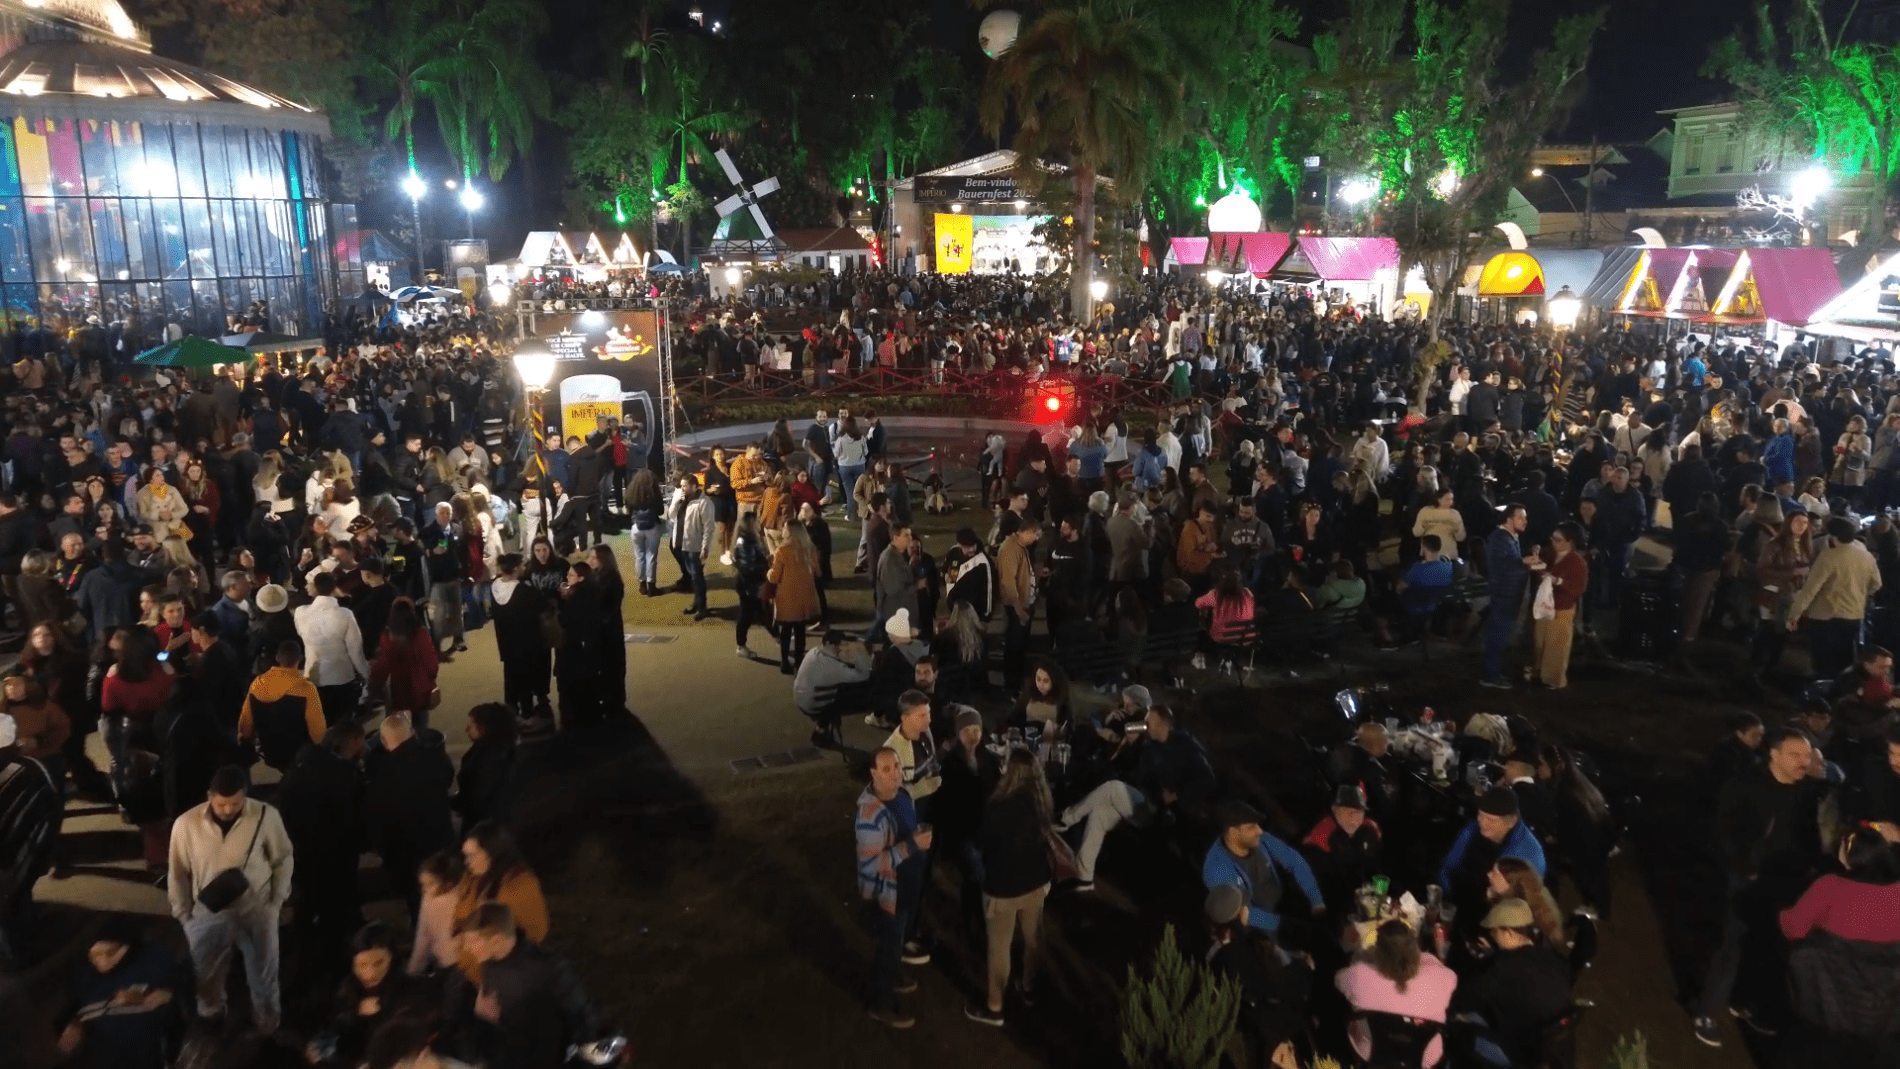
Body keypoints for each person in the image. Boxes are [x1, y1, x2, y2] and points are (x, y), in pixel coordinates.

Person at [1693, 727, 1830, 1047]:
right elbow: (1721, 831)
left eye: (1807, 756)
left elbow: (1809, 837)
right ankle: (1707, 1010)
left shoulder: (1807, 792)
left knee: (1765, 946)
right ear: (1774, 753)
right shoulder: (1744, 785)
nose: (1803, 762)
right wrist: (1742, 864)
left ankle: (1743, 1001)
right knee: (1733, 944)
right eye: (1795, 755)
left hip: (1783, 884)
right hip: (1747, 881)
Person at [166, 765, 293, 1038]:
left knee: (264, 973)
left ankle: (267, 1024)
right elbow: (177, 871)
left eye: (235, 803)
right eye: (222, 804)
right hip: (208, 912)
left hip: (256, 908)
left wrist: (275, 904)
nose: (227, 810)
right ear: (209, 796)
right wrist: (183, 915)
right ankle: (211, 1015)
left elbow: (283, 858)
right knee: (206, 972)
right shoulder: (186, 824)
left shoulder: (265, 816)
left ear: (245, 795)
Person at [1054, 705, 1215, 890]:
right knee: (1100, 813)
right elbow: (1132, 771)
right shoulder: (1148, 744)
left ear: (1164, 724)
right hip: (1138, 799)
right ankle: (1084, 878)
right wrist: (1129, 744)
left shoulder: (1185, 746)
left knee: (1112, 788)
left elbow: (1207, 779)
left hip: (1159, 809)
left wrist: (1178, 793)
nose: (1144, 726)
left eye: (1149, 722)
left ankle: (1066, 818)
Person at [449, 902, 597, 1069]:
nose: (467, 948)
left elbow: (580, 1015)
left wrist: (584, 1059)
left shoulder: (549, 969)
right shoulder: (490, 965)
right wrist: (485, 1019)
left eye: (472, 941)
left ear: (496, 941)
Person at [966, 746, 1053, 1027]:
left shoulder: (997, 805)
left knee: (999, 948)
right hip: (1036, 884)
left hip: (1002, 888)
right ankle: (1028, 987)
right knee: (1033, 938)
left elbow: (982, 843)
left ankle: (995, 1008)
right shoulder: (1042, 801)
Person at [274, 721, 366, 966]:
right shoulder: (342, 775)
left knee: (305, 903)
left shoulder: (301, 764)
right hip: (332, 854)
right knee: (335, 906)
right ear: (355, 741)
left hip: (298, 852)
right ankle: (333, 958)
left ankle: (302, 954)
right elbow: (352, 819)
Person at [856, 746, 931, 1029]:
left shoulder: (903, 795)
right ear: (874, 773)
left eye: (897, 767)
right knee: (887, 946)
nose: (894, 774)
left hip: (905, 887)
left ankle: (893, 976)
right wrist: (913, 845)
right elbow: (872, 865)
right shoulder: (870, 816)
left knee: (895, 942)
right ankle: (881, 1004)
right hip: (886, 894)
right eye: (886, 769)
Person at [53, 918, 187, 1069]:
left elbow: (181, 1016)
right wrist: (72, 1026)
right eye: (96, 955)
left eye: (110, 953)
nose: (103, 961)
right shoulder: (84, 981)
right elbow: (71, 1015)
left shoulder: (153, 967)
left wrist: (151, 999)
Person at [1456, 898, 1574, 1068]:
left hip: (1518, 1055)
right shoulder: (1553, 957)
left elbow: (1465, 999)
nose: (1492, 936)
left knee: (1458, 1025)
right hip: (1550, 1047)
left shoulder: (1502, 970)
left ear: (1508, 933)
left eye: (1494, 932)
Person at [365, 712, 454, 919]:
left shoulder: (382, 777)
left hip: (409, 854)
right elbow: (447, 779)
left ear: (385, 742)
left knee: (419, 905)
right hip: (441, 841)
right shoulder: (435, 756)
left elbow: (379, 824)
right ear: (412, 733)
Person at [1336, 919, 1458, 1067]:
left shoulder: (1357, 976)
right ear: (1416, 948)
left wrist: (1363, 956)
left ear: (1378, 952)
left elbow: (1339, 979)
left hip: (1372, 1053)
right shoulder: (1442, 977)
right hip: (1424, 1058)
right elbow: (1450, 975)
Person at [1202, 801, 1325, 940]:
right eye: (1251, 827)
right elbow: (1243, 913)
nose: (1259, 831)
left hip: (1284, 903)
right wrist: (1285, 925)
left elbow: (1293, 860)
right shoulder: (1216, 868)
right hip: (1260, 929)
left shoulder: (1258, 839)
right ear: (1233, 832)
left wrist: (1316, 900)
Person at [307, 922, 418, 1068]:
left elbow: (404, 1036)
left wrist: (382, 1013)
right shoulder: (349, 988)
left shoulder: (406, 988)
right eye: (363, 965)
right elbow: (334, 1026)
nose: (370, 974)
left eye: (378, 963)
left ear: (392, 958)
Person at [1786, 516, 1882, 680]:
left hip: (1825, 616)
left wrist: (1794, 614)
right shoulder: (1866, 555)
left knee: (1823, 661)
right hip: (1853, 615)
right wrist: (1859, 594)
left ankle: (1819, 692)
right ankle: (1838, 695)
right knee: (1844, 660)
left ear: (1832, 535)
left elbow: (1810, 589)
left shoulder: (1829, 557)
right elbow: (1876, 584)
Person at [451, 822, 550, 980]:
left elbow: (534, 933)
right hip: (470, 971)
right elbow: (462, 916)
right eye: (465, 855)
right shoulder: (474, 879)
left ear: (492, 852)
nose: (466, 862)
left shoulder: (520, 885)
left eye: (472, 855)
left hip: (500, 978)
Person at [1437, 786, 1546, 922]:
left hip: (1495, 918)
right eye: (1480, 815)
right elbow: (1448, 866)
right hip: (1457, 904)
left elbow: (1526, 907)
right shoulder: (1472, 828)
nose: (1482, 822)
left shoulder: (1529, 853)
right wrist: (1445, 898)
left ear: (1511, 822)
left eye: (1491, 820)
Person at [0, 711, 59, 961]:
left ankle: (20, 945)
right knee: (15, 904)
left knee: (13, 905)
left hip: (12, 856)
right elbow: (52, 806)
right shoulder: (30, 767)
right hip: (20, 854)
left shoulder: (25, 770)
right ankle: (21, 949)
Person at [296, 570, 370, 726]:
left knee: (321, 724)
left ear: (314, 588)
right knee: (343, 725)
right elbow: (355, 650)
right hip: (341, 676)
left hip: (314, 676)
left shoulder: (300, 613)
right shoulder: (345, 614)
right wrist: (366, 674)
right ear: (334, 587)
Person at [239, 640, 326, 772]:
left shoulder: (257, 685)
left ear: (277, 658)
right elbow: (318, 734)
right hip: (298, 761)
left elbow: (245, 728)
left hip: (268, 756)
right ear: (300, 659)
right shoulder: (307, 690)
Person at [487, 554, 551, 724]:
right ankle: (527, 715)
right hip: (526, 643)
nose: (523, 568)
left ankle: (511, 712)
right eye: (521, 565)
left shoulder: (495, 588)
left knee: (511, 678)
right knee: (526, 681)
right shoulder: (524, 591)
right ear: (515, 568)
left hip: (506, 643)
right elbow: (544, 606)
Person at [1480, 504, 1537, 688]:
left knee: (1500, 635)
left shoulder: (1511, 538)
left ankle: (1492, 671)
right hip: (1504, 594)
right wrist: (1522, 562)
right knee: (1498, 635)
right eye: (1521, 517)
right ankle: (1490, 675)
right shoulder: (1499, 539)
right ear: (1508, 519)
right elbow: (1499, 565)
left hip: (1509, 594)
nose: (1525, 521)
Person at [1302, 785, 1384, 911]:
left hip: (1368, 900)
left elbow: (1376, 866)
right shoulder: (1320, 839)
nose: (1353, 817)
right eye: (1347, 811)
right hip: (1337, 906)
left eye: (1358, 811)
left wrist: (1378, 894)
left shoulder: (1370, 830)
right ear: (1335, 810)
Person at [1531, 522, 1589, 689]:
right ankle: (1539, 672)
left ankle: (1553, 679)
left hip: (1562, 608)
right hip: (1545, 605)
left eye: (1558, 539)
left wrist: (1559, 581)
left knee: (1556, 645)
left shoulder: (1577, 562)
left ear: (1570, 542)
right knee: (1540, 641)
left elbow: (1579, 588)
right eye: (1553, 538)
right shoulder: (1550, 554)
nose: (1553, 542)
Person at [368, 598, 440, 729]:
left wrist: (375, 686)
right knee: (421, 724)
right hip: (421, 686)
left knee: (402, 727)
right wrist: (430, 679)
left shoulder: (387, 636)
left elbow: (383, 666)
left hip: (399, 689)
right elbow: (431, 661)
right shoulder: (420, 633)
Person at [767, 520, 822, 673]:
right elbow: (817, 572)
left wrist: (768, 572)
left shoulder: (782, 550)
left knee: (786, 630)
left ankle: (785, 662)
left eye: (784, 527)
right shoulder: (810, 549)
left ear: (789, 531)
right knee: (800, 631)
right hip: (805, 595)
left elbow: (774, 577)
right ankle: (799, 662)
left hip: (787, 596)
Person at [455, 703, 518, 829]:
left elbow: (477, 801)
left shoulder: (485, 761)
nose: (466, 729)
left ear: (483, 728)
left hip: (483, 830)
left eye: (471, 725)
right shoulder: (508, 751)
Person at [408, 850, 465, 978]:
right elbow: (423, 936)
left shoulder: (463, 898)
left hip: (461, 964)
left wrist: (413, 971)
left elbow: (423, 937)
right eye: (423, 885)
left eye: (431, 884)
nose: (425, 890)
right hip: (443, 963)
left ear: (449, 882)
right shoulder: (428, 899)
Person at [421, 502, 468, 654]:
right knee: (440, 612)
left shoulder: (456, 529)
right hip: (437, 578)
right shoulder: (427, 531)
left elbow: (463, 550)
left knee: (456, 609)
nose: (445, 516)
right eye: (442, 513)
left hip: (454, 575)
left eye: (448, 513)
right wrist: (432, 551)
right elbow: (420, 549)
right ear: (436, 514)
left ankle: (458, 638)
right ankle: (437, 642)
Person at [668, 476, 714, 620]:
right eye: (681, 486)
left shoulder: (704, 502)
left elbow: (709, 527)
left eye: (685, 486)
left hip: (695, 546)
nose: (682, 489)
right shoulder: (681, 500)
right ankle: (697, 603)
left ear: (694, 486)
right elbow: (671, 516)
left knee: (697, 576)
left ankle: (702, 607)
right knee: (693, 576)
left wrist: (705, 546)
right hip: (682, 544)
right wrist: (675, 501)